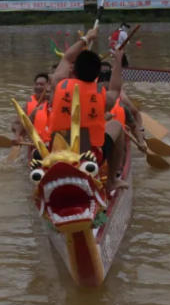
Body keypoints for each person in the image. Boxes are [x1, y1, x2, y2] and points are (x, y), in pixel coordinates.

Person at [49, 27, 128, 190]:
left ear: (74, 70)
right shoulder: (103, 94)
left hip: (57, 152)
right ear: (97, 75)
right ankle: (112, 181)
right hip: (90, 157)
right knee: (117, 126)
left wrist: (86, 38)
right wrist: (118, 61)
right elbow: (115, 89)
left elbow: (66, 59)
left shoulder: (59, 83)